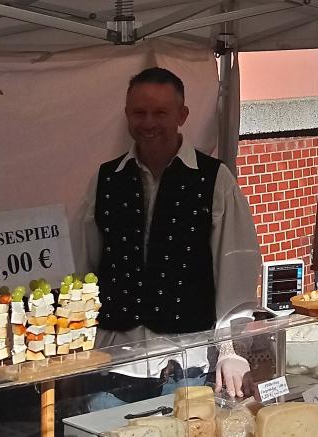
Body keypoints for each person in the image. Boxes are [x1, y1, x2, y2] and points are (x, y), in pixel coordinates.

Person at [81, 67, 261, 408]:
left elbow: (235, 266)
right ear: (127, 114)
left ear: (182, 115)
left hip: (186, 364)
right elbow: (86, 265)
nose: (148, 123)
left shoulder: (214, 179)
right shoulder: (106, 178)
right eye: (139, 112)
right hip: (114, 362)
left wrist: (230, 350)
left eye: (160, 112)